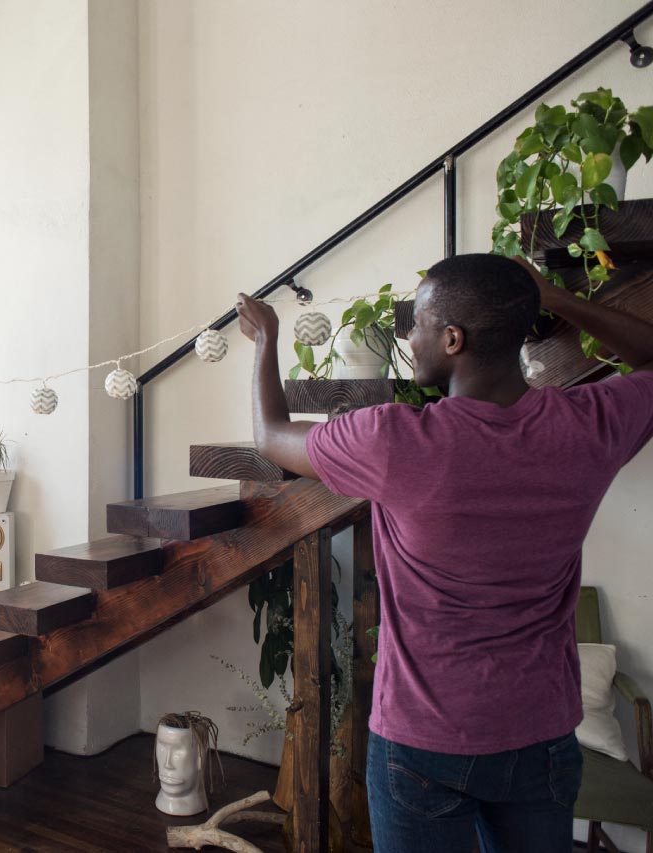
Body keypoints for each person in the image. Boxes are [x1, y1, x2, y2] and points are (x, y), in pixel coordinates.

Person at [235, 253, 653, 853]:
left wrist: (266, 340)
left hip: (423, 740)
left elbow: (271, 437)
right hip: (540, 736)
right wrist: (555, 299)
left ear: (453, 339)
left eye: (418, 324)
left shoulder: (394, 440)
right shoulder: (588, 424)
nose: (408, 336)